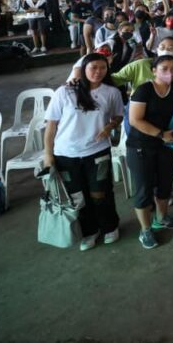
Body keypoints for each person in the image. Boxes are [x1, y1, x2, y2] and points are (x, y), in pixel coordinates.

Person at [42, 53, 125, 250]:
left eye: (103, 68)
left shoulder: (112, 92)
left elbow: (118, 116)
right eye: (93, 67)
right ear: (83, 69)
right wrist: (48, 154)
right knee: (77, 196)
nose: (98, 72)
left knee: (100, 193)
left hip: (97, 152)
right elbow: (51, 126)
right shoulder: (64, 92)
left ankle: (110, 226)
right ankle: (89, 231)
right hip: (66, 154)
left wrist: (109, 126)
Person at [127, 55, 173, 249]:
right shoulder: (144, 90)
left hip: (166, 146)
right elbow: (135, 120)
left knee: (165, 185)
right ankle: (145, 230)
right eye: (164, 68)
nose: (170, 72)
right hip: (141, 146)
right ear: (154, 71)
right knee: (143, 189)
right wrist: (161, 134)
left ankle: (162, 217)